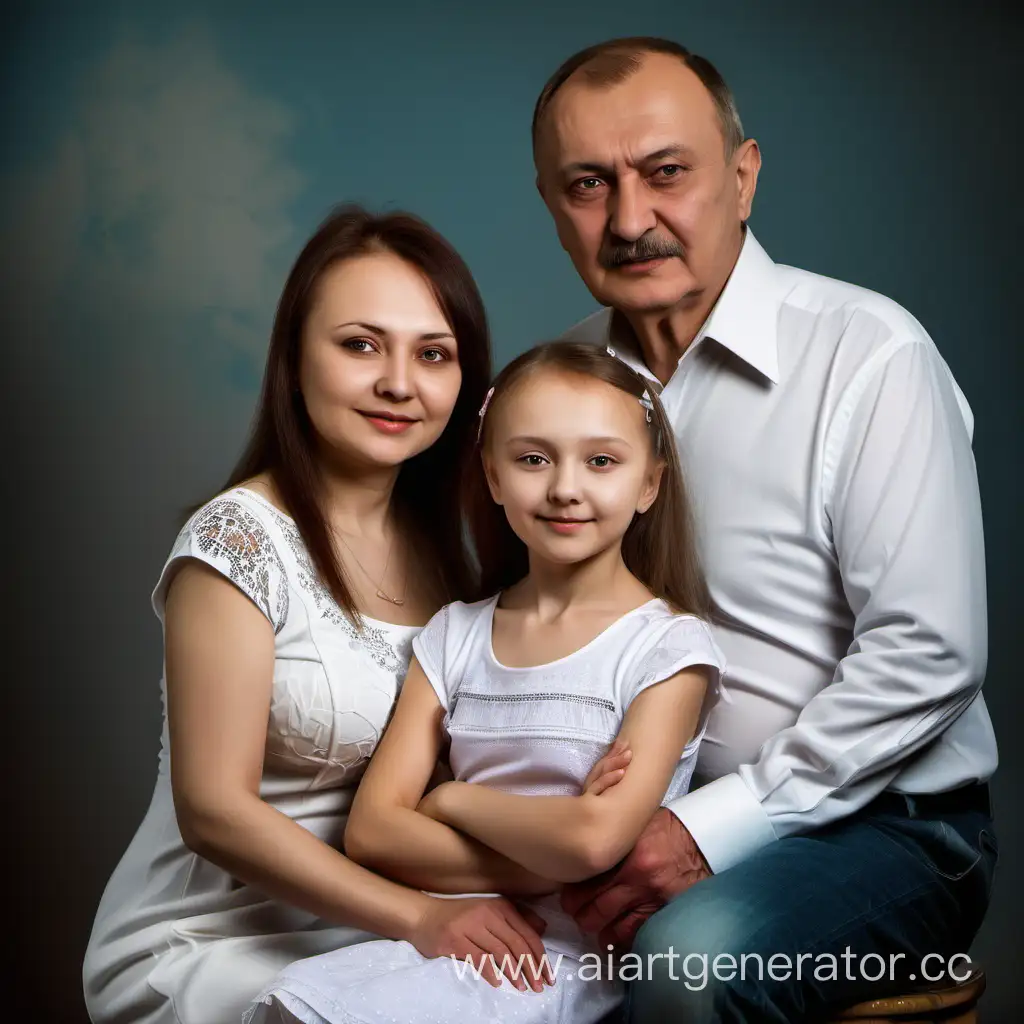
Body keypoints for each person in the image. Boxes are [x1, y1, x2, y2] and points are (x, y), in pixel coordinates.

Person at [530, 37, 999, 1022]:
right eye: (587, 184)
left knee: (686, 966)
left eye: (665, 173)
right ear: (550, 205)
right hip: (611, 820)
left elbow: (929, 652)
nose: (628, 218)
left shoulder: (868, 356)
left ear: (742, 178)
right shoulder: (550, 388)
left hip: (889, 828)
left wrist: (702, 831)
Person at [82, 205, 551, 1024]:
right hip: (208, 939)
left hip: (373, 939)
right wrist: (426, 919)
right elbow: (214, 813)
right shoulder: (237, 541)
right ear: (295, 360)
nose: (400, 383)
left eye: (433, 354)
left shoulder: (456, 558)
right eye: (360, 344)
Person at [243, 341, 727, 1024]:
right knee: (297, 1002)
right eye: (533, 459)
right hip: (456, 929)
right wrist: (545, 856)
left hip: (567, 959)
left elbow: (595, 842)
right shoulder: (455, 636)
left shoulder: (667, 648)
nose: (565, 487)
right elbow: (375, 832)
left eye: (602, 461)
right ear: (494, 477)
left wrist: (452, 801)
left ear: (649, 483)